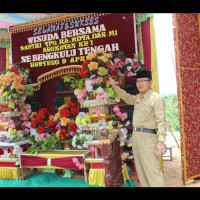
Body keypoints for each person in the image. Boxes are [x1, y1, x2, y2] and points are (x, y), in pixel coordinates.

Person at [108, 70, 167, 187]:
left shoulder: (156, 99)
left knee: (152, 171)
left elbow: (161, 121)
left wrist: (161, 141)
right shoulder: (138, 98)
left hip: (149, 138)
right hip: (136, 138)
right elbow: (126, 97)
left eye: (143, 81)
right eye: (138, 81)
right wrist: (115, 86)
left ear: (150, 82)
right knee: (141, 171)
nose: (140, 84)